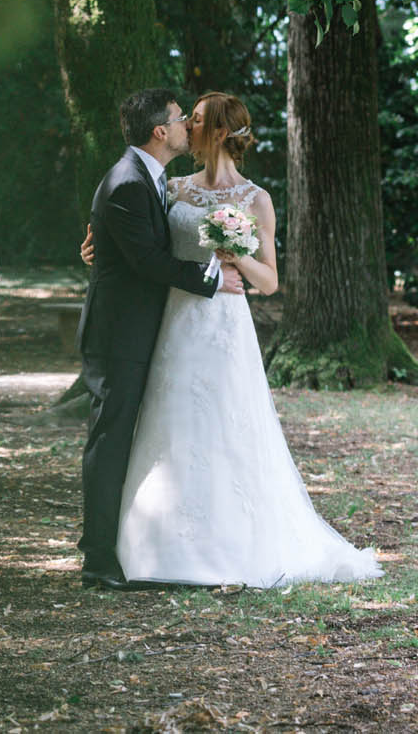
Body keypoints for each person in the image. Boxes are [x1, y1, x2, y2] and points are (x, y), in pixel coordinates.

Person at [82, 91, 384, 587]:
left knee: (224, 428)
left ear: (218, 132)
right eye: (185, 119)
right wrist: (99, 246)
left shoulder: (254, 199)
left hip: (224, 326)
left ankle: (228, 541)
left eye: (196, 120)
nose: (188, 127)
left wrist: (233, 255)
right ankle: (149, 544)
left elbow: (268, 281)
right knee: (170, 426)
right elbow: (138, 237)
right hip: (172, 324)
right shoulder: (172, 187)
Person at [76, 88, 242, 590]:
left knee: (132, 437)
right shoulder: (128, 182)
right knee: (109, 441)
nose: (185, 126)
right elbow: (147, 260)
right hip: (118, 335)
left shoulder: (152, 179)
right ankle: (99, 560)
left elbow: (136, 242)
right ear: (159, 131)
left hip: (144, 329)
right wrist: (211, 280)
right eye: (178, 119)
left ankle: (131, 546)